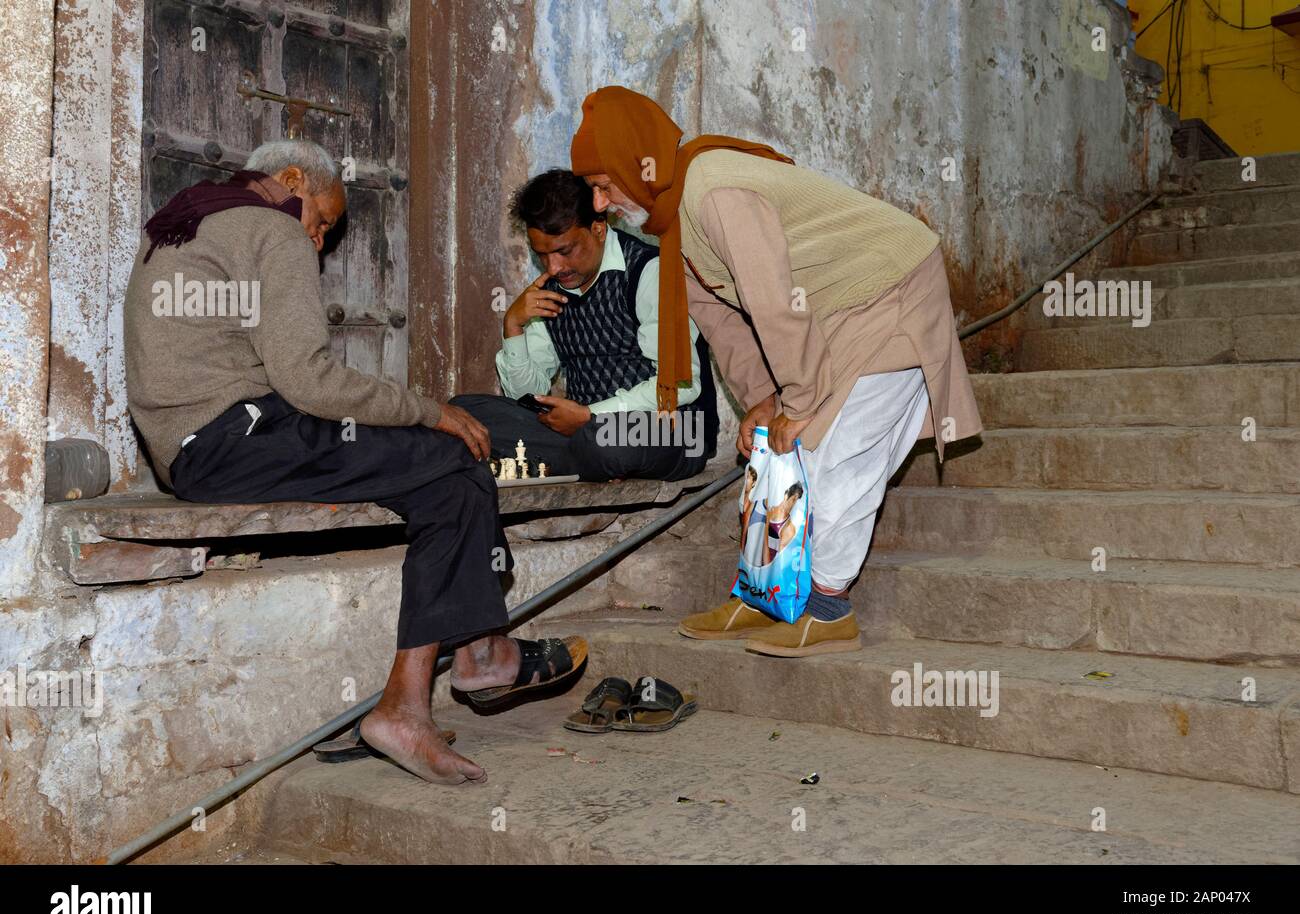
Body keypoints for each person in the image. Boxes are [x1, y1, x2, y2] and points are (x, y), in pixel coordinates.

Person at [123, 139, 585, 784]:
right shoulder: (269, 228)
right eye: (321, 223)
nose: (315, 241)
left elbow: (282, 382)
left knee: (443, 485)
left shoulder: (192, 219)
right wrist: (430, 409)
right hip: (236, 439)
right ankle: (478, 654)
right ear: (290, 181)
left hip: (201, 449)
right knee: (453, 447)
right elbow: (309, 380)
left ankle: (430, 688)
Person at [569, 87, 982, 657]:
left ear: (635, 162)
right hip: (834, 308)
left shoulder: (715, 191)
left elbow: (773, 303)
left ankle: (829, 609)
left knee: (842, 453)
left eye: (603, 184)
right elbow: (720, 323)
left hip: (890, 289)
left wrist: (799, 401)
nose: (599, 203)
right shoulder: (669, 222)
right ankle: (766, 593)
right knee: (778, 453)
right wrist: (764, 401)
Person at [452, 169, 717, 481]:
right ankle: (578, 461)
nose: (554, 267)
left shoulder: (650, 273)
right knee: (466, 412)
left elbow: (680, 388)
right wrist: (513, 327)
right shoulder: (549, 290)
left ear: (599, 229)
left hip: (671, 429)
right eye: (542, 255)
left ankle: (555, 460)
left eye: (565, 251)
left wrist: (591, 416)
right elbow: (528, 397)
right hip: (582, 431)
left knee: (603, 442)